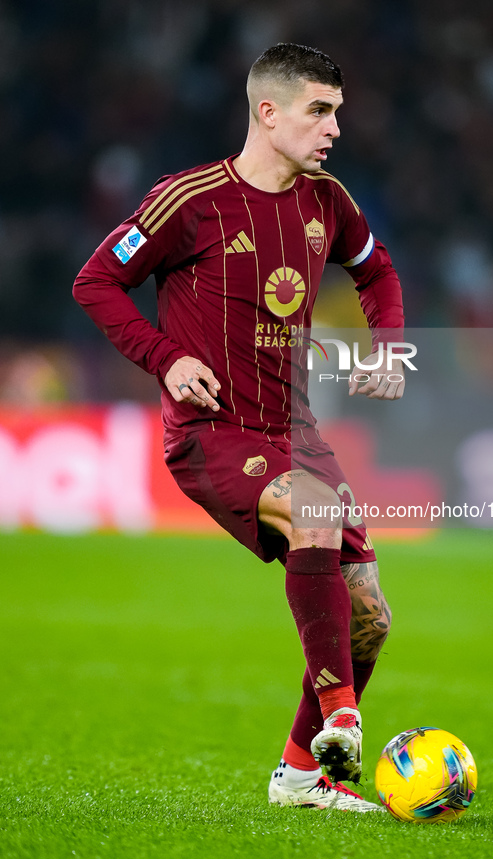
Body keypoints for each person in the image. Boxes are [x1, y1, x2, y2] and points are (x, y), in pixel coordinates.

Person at [73, 43, 405, 812]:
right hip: (211, 430)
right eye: (319, 111)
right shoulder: (187, 200)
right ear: (268, 111)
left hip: (296, 429)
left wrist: (385, 345)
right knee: (314, 512)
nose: (333, 130)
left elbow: (376, 268)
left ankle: (298, 777)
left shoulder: (328, 200)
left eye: (337, 113)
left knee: (369, 620)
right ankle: (343, 718)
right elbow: (98, 280)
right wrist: (165, 358)